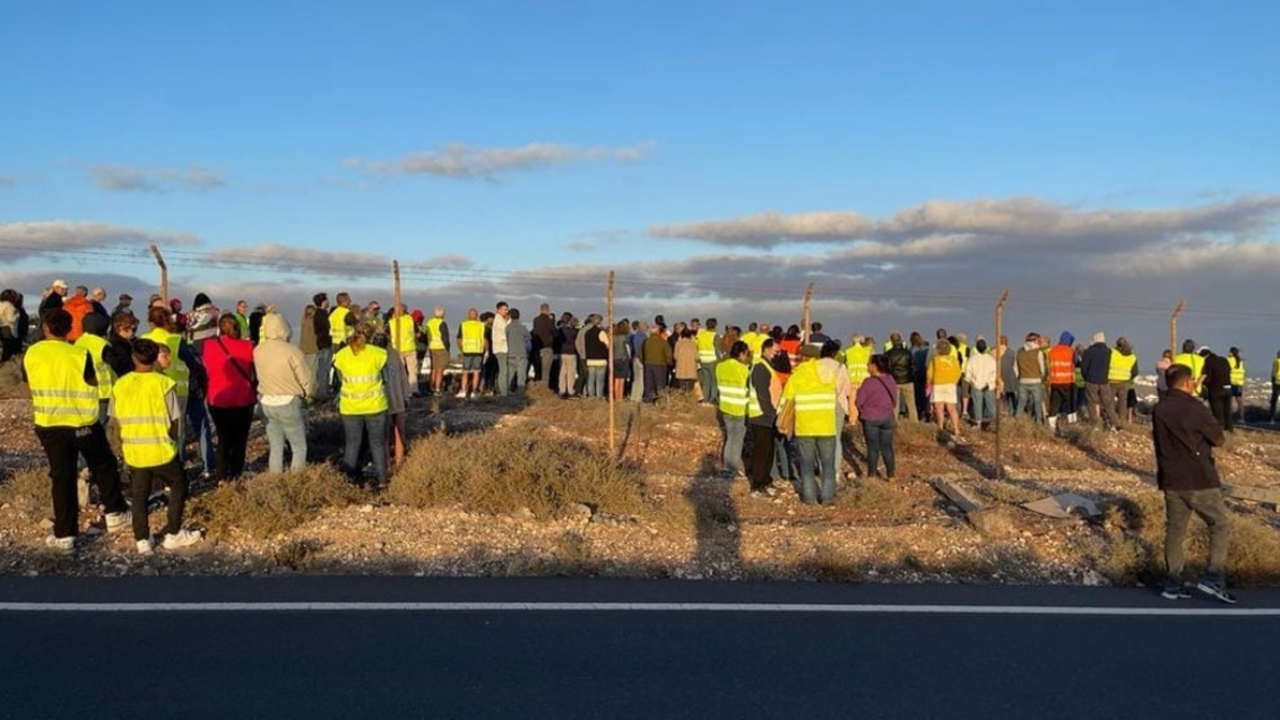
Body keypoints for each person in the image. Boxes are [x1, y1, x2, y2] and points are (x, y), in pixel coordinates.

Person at [23, 308, 129, 551]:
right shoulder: (80, 354)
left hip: (49, 422)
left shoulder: (32, 353)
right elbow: (91, 381)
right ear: (70, 329)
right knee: (103, 464)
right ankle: (115, 512)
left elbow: (29, 381)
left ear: (45, 328)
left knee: (62, 476)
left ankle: (65, 534)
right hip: (82, 422)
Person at [110, 338, 202, 554]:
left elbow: (115, 421)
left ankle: (142, 538)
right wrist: (172, 440)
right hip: (161, 449)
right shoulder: (163, 384)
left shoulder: (120, 385)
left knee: (139, 494)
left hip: (134, 450)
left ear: (133, 358)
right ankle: (173, 533)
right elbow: (175, 420)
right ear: (154, 359)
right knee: (179, 483)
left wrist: (119, 447)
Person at [1152, 364, 1234, 604]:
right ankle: (1213, 577)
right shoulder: (1195, 408)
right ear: (1188, 382)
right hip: (1198, 478)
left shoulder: (1160, 408)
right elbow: (1218, 439)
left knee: (1176, 530)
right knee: (1220, 523)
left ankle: (1172, 582)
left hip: (1171, 478)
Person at [779, 344, 842, 505]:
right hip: (826, 426)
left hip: (804, 427)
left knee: (806, 465)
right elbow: (838, 394)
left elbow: (785, 402)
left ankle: (809, 499)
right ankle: (827, 498)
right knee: (827, 464)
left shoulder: (796, 376)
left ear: (802, 357)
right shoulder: (828, 374)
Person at [254, 313, 314, 473]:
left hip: (266, 401)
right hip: (288, 401)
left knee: (275, 446)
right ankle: (296, 480)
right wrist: (307, 394)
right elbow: (305, 378)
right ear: (284, 328)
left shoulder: (258, 350)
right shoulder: (292, 351)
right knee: (298, 447)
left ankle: (275, 480)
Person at [332, 323, 389, 486]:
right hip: (375, 406)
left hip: (350, 407)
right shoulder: (379, 353)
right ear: (371, 336)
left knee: (352, 444)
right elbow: (385, 379)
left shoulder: (342, 355)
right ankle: (382, 481)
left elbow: (338, 381)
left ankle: (350, 482)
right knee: (377, 444)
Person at [204, 313, 257, 481]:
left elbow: (206, 368)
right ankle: (236, 474)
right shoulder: (248, 346)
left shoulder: (209, 345)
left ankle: (221, 477)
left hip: (217, 399)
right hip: (243, 398)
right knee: (240, 440)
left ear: (219, 328)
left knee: (223, 439)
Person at [714, 341, 752, 478]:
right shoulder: (744, 369)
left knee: (730, 437)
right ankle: (732, 468)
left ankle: (726, 467)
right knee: (737, 440)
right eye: (746, 354)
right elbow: (749, 388)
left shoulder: (720, 366)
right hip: (740, 408)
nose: (747, 357)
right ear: (741, 353)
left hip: (725, 406)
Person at [748, 339, 781, 495]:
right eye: (775, 351)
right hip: (761, 415)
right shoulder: (761, 368)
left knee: (768, 451)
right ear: (766, 349)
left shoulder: (767, 366)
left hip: (767, 415)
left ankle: (766, 480)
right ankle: (757, 484)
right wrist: (771, 414)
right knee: (761, 452)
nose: (777, 354)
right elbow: (763, 395)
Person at [857, 355, 897, 479]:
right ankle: (891, 475)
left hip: (871, 418)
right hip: (888, 417)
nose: (867, 366)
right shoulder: (891, 379)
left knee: (872, 447)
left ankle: (871, 474)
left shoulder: (868, 382)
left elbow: (859, 401)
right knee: (887, 447)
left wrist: (862, 410)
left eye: (869, 363)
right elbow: (895, 399)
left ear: (875, 366)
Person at [927, 339, 963, 441]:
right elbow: (958, 372)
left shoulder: (935, 360)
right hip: (950, 385)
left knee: (939, 408)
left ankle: (940, 428)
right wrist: (954, 381)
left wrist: (928, 384)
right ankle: (956, 429)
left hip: (938, 385)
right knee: (952, 408)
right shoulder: (954, 360)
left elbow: (929, 374)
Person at [1080, 332, 1114, 428]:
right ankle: (1113, 423)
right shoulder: (1109, 352)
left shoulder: (1089, 352)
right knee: (1108, 403)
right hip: (1104, 381)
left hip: (1091, 380)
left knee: (1092, 403)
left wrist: (1086, 377)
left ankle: (1095, 424)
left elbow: (1084, 367)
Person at [964, 338, 997, 430]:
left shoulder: (972, 359)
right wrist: (989, 383)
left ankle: (978, 423)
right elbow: (994, 372)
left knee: (977, 405)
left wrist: (971, 382)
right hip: (988, 385)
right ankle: (993, 422)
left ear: (976, 348)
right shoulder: (991, 359)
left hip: (976, 384)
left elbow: (968, 374)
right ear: (986, 348)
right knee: (991, 405)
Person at [1046, 332, 1076, 430]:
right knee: (1070, 405)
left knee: (1054, 405)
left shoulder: (1052, 351)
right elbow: (1075, 363)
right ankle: (1072, 426)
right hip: (1068, 381)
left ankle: (1051, 427)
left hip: (1055, 382)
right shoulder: (1071, 351)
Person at [387, 304, 419, 397]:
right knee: (412, 370)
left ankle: (401, 390)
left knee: (400, 370)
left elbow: (387, 334)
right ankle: (413, 389)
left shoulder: (392, 322)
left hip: (397, 348)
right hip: (410, 347)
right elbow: (417, 332)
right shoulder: (410, 319)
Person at [1200, 347, 1234, 433]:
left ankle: (1219, 430)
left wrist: (1202, 384)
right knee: (1227, 411)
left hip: (1216, 389)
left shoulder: (1208, 361)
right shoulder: (1223, 360)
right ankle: (1230, 429)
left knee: (1218, 412)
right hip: (1228, 388)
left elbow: (1206, 376)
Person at [884, 333, 916, 422]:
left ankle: (895, 422)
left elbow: (887, 367)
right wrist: (911, 376)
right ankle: (914, 422)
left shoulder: (888, 354)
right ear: (901, 340)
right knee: (911, 404)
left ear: (891, 341)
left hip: (894, 381)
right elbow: (913, 365)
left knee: (895, 404)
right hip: (907, 380)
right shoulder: (908, 353)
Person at [1107, 337, 1138, 427]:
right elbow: (1135, 371)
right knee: (1122, 403)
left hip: (1111, 381)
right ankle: (1122, 421)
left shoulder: (1112, 352)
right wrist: (1128, 377)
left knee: (1109, 402)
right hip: (1124, 382)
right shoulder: (1132, 357)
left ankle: (1111, 420)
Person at [456, 307, 485, 399]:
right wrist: (485, 350)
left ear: (468, 315)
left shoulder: (463, 325)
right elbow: (484, 339)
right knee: (476, 372)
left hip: (467, 351)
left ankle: (463, 390)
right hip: (478, 351)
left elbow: (459, 339)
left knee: (465, 372)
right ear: (477, 316)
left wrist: (461, 349)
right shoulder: (482, 325)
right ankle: (474, 391)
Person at [641, 324, 672, 403]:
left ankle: (648, 400)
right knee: (660, 384)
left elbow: (640, 354)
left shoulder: (646, 341)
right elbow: (668, 355)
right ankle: (660, 400)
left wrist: (644, 362)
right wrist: (669, 363)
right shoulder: (663, 342)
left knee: (648, 384)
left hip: (648, 365)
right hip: (660, 365)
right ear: (658, 332)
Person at [312, 293, 333, 399]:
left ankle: (322, 390)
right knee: (324, 368)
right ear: (323, 302)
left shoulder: (319, 314)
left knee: (323, 368)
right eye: (326, 300)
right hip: (325, 343)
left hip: (322, 343)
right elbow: (328, 327)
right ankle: (322, 392)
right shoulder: (322, 314)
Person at [506, 308, 531, 395]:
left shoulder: (507, 328)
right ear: (519, 316)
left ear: (510, 316)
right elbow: (529, 339)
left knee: (509, 376)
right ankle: (520, 393)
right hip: (521, 354)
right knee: (521, 377)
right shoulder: (522, 328)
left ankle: (507, 392)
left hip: (510, 354)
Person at [695, 318, 720, 404]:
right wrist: (719, 360)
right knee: (714, 381)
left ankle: (705, 398)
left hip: (702, 360)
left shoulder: (700, 335)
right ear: (715, 325)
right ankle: (713, 398)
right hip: (712, 360)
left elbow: (696, 346)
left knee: (706, 381)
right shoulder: (715, 335)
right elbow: (717, 350)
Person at [532, 303, 556, 387]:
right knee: (546, 370)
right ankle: (544, 387)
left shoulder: (536, 320)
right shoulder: (549, 320)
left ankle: (536, 385)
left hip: (537, 347)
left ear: (540, 309)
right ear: (548, 310)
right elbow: (554, 333)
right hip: (547, 346)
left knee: (538, 368)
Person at [556, 312, 579, 399]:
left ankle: (562, 390)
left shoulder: (560, 330)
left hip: (562, 352)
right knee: (571, 373)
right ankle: (570, 390)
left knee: (562, 373)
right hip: (571, 352)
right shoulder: (574, 330)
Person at [610, 319, 630, 401]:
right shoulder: (626, 337)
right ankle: (620, 398)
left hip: (614, 359)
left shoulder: (613, 337)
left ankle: (615, 397)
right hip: (623, 359)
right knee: (621, 380)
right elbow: (628, 349)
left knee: (616, 379)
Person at [673, 328, 699, 393]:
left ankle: (683, 398)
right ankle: (689, 397)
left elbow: (675, 356)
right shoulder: (693, 344)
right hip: (691, 369)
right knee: (690, 389)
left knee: (682, 389)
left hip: (681, 368)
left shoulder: (678, 344)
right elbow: (697, 357)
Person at [299, 304, 319, 383]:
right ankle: (312, 386)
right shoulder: (312, 322)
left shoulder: (303, 321)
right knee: (312, 369)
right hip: (312, 348)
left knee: (306, 369)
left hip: (303, 348)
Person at [1227, 347, 1245, 422]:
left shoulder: (1230, 360)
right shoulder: (1240, 361)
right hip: (1239, 382)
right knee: (1239, 400)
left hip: (1231, 381)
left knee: (1229, 400)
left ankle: (1229, 418)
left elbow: (1227, 369)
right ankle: (1242, 418)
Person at [1271, 350, 1280, 422]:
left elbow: (1274, 374)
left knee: (1274, 401)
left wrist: (1273, 383)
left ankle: (1272, 418)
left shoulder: (1277, 361)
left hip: (1277, 383)